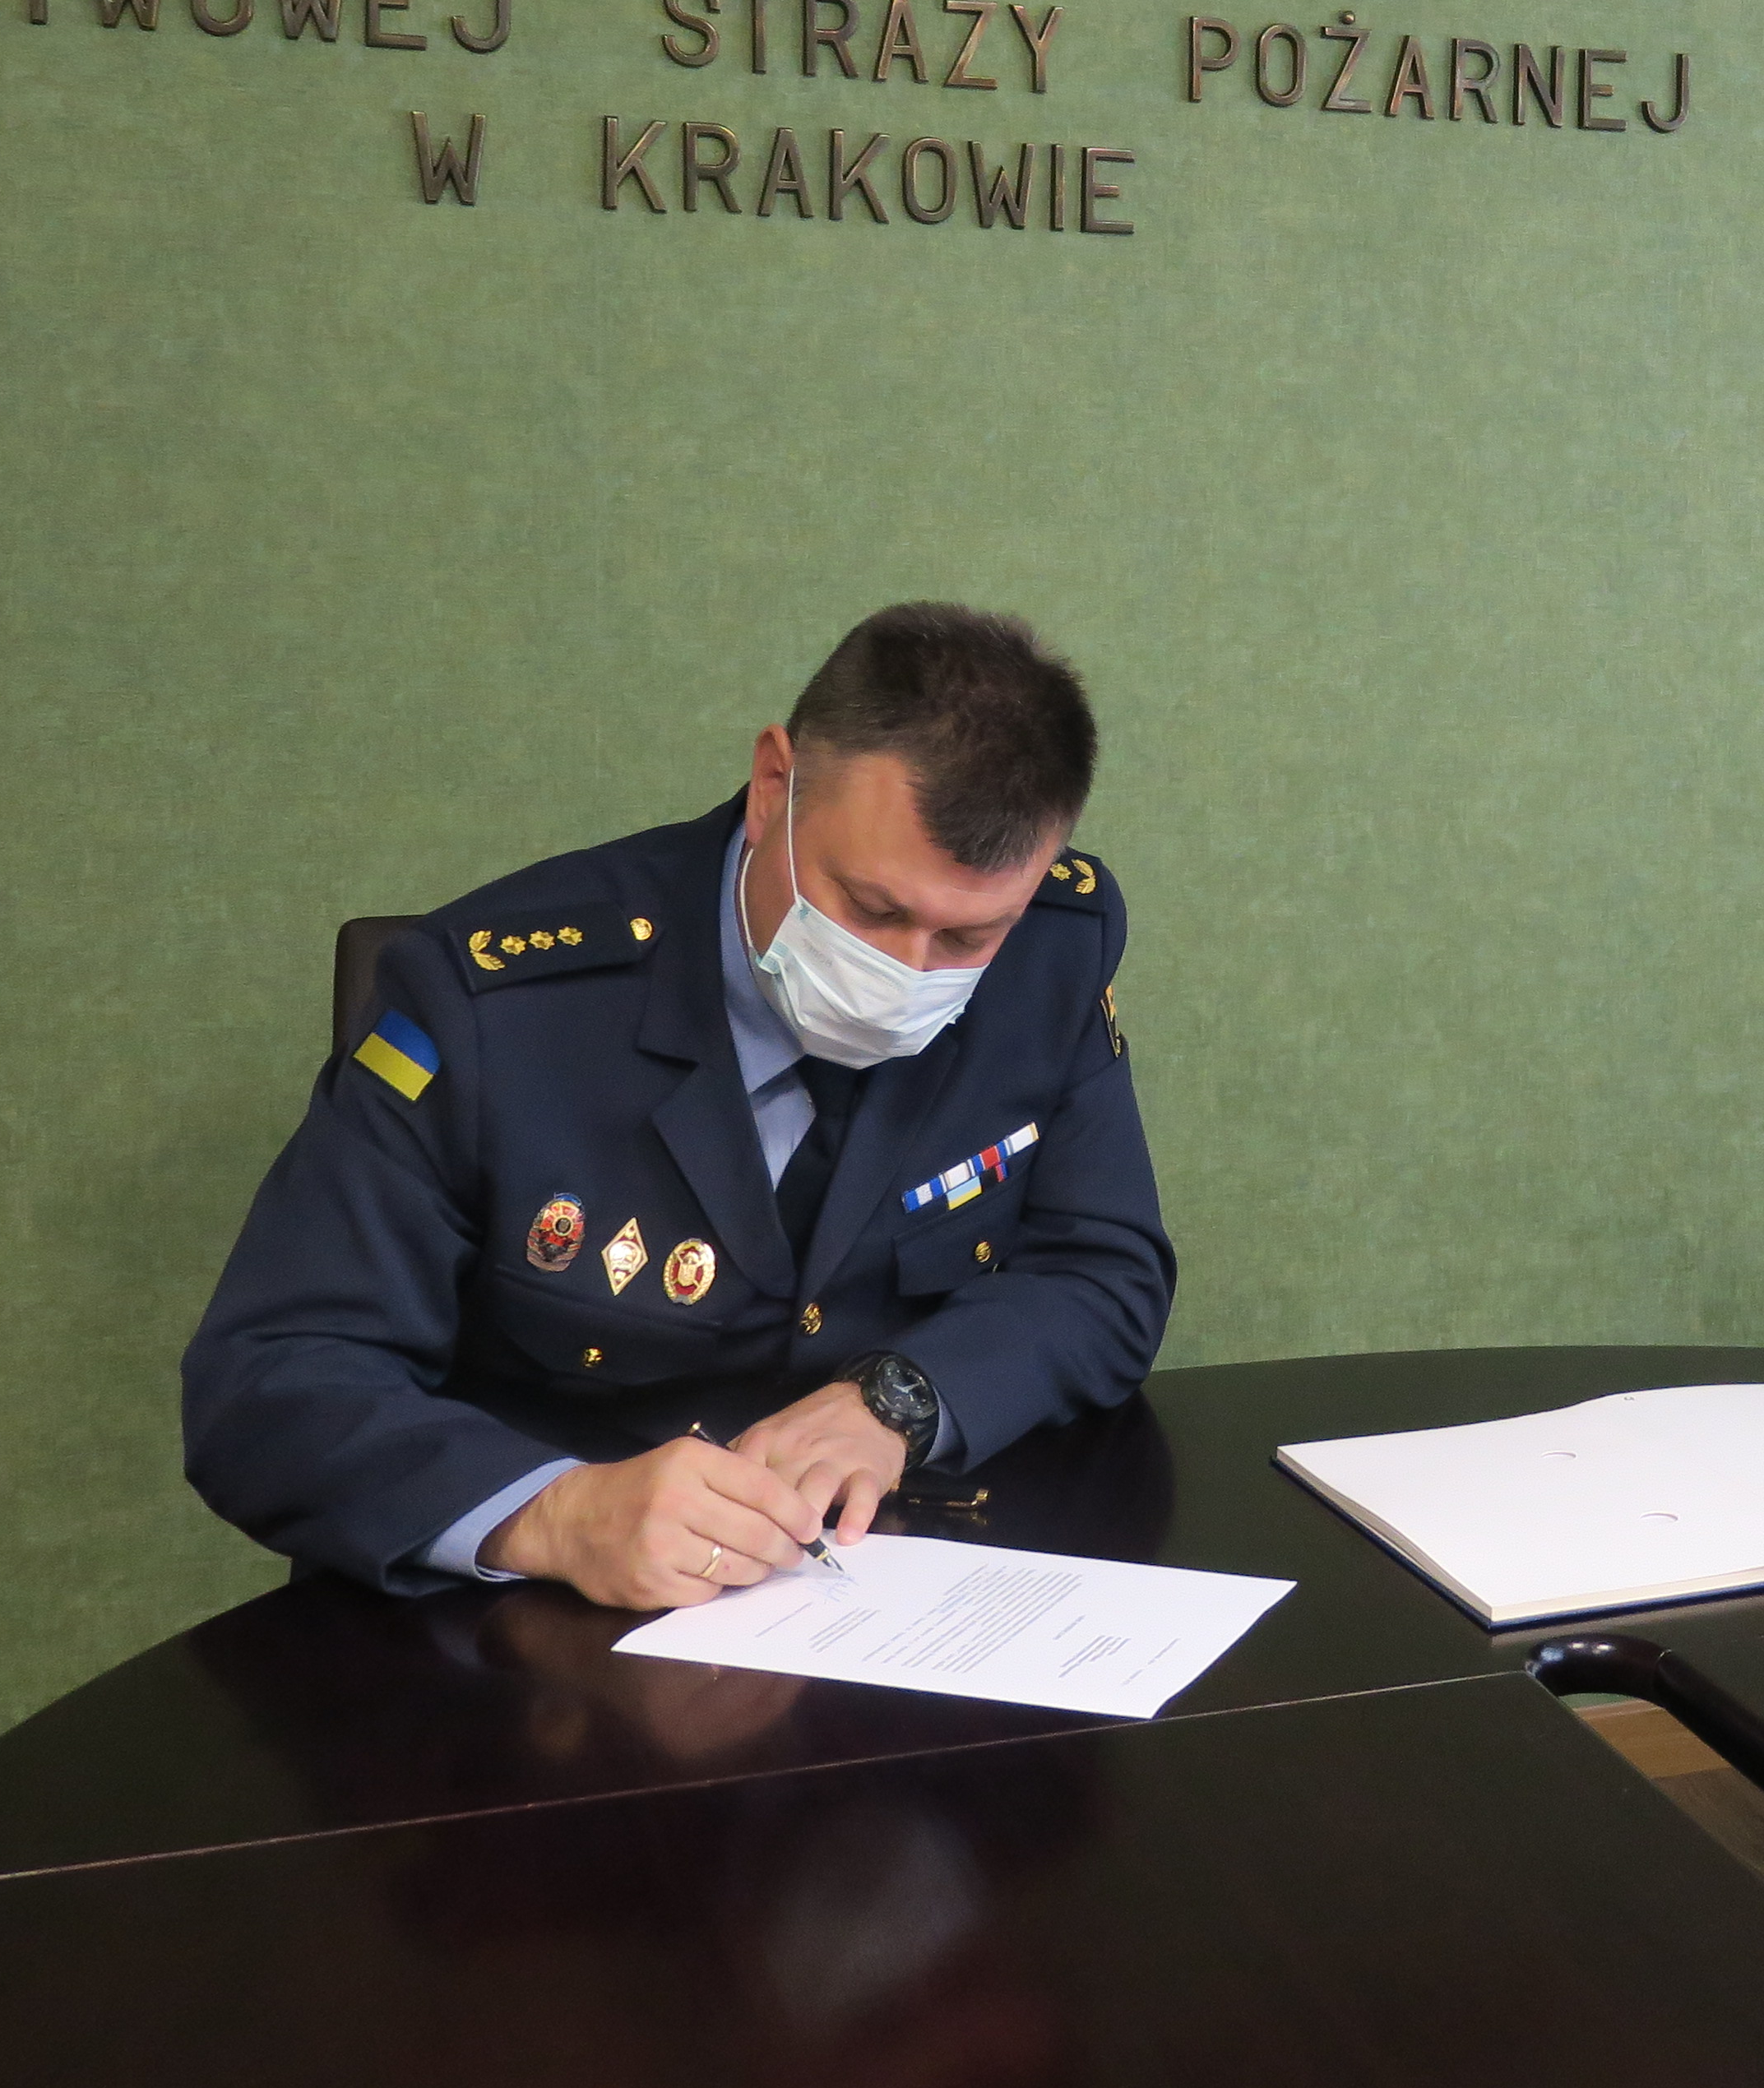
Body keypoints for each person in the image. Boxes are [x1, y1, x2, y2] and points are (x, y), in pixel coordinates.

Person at [183, 603, 1169, 1605]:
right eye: (872, 908)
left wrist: (898, 1401)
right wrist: (555, 1513)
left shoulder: (1054, 945)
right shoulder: (497, 1006)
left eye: (966, 938)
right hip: (535, 1623)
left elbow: (1103, 1270)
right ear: (775, 786)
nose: (908, 970)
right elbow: (269, 1383)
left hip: (870, 1598)